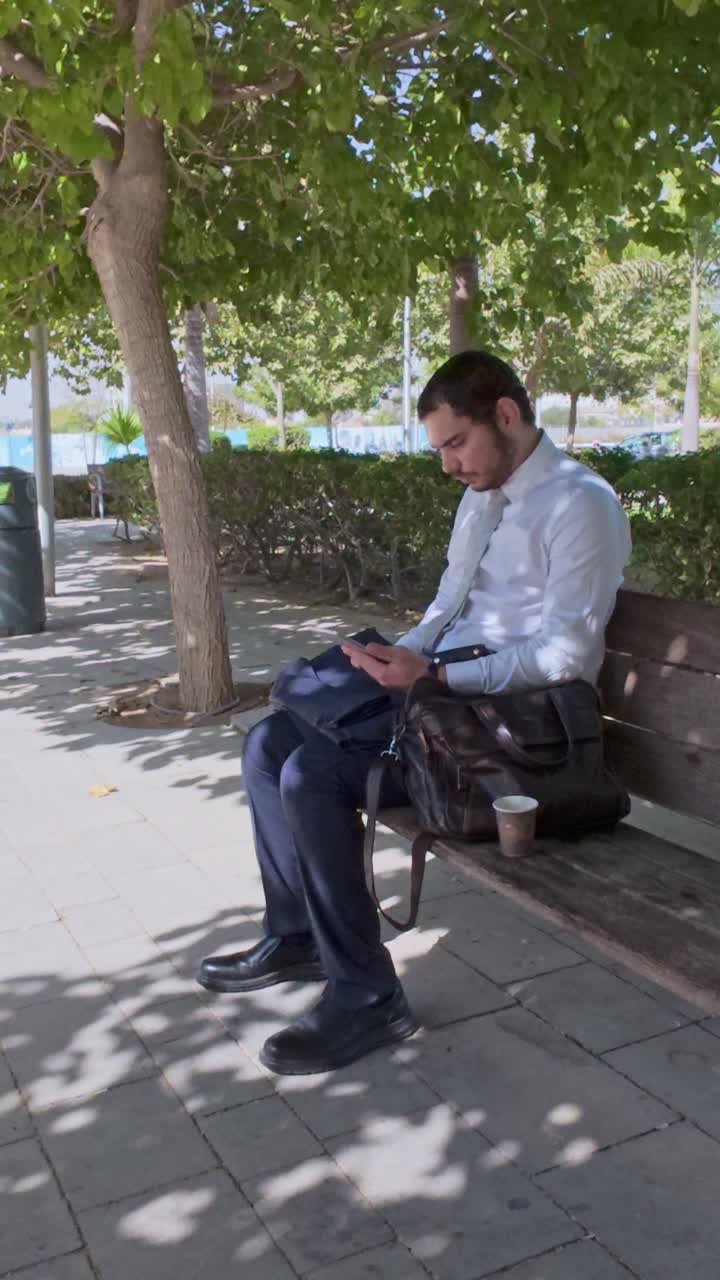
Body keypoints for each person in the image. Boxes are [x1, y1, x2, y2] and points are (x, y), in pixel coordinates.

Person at [197, 350, 631, 1075]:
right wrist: (399, 654)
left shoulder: (580, 504)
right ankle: (299, 935)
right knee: (269, 741)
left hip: (511, 734)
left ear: (505, 415)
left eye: (456, 443)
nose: (449, 465)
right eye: (439, 450)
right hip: (443, 697)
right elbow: (448, 605)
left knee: (313, 772)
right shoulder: (483, 495)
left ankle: (369, 997)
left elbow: (567, 657)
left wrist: (437, 675)